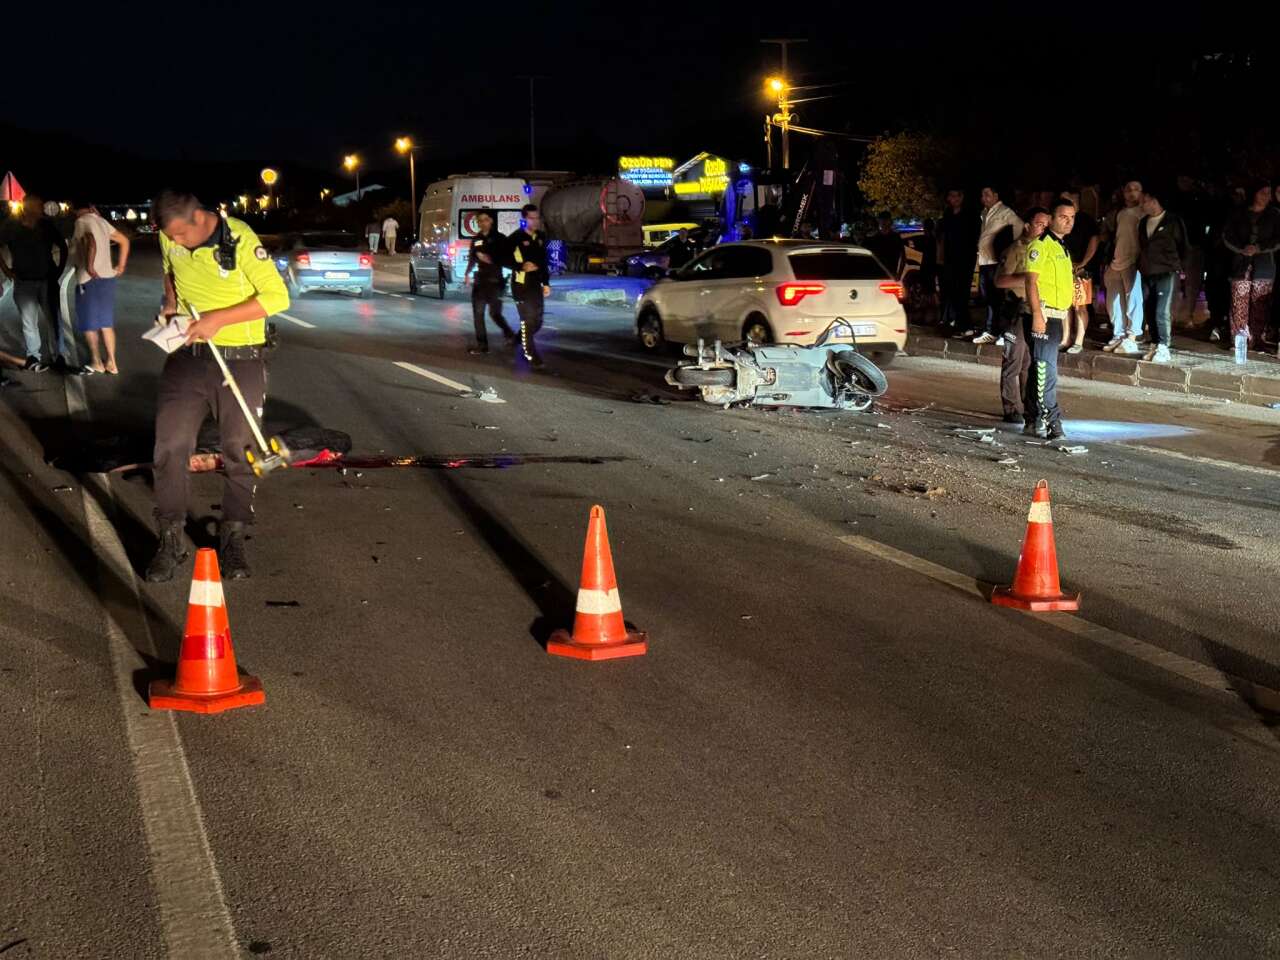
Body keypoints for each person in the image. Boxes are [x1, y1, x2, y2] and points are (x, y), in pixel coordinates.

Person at [146, 189, 290, 583]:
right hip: (188, 357)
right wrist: (171, 304)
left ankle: (233, 536)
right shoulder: (167, 237)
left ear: (198, 219)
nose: (175, 242)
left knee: (238, 450)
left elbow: (278, 298)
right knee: (170, 445)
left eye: (180, 234)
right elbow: (170, 270)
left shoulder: (239, 238)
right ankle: (170, 538)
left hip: (241, 358)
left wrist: (217, 319)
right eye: (169, 236)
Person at [0, 194, 83, 373]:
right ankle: (34, 357)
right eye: (38, 205)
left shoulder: (46, 226)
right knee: (29, 322)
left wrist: (59, 270)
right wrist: (6, 271)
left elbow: (62, 246)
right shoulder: (10, 226)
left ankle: (59, 356)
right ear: (27, 207)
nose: (42, 208)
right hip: (23, 283)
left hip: (47, 281)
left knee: (54, 320)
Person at [1024, 198, 1076, 440]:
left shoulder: (1062, 248)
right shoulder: (1041, 245)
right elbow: (1031, 281)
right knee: (1046, 371)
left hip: (1056, 316)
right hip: (1043, 315)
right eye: (1064, 217)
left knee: (1039, 369)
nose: (1069, 222)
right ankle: (1053, 422)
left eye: (1072, 217)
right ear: (1052, 219)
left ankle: (1033, 418)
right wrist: (1037, 314)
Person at [995, 207, 1050, 424]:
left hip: (1034, 310)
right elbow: (1000, 281)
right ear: (1027, 225)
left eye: (1046, 225)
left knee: (1029, 363)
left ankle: (1030, 407)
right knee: (1013, 361)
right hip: (1015, 310)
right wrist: (1028, 279)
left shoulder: (1045, 249)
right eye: (1039, 224)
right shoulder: (1015, 250)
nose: (1043, 229)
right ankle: (1011, 408)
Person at [71, 200, 129, 374]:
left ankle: (96, 361)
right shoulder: (101, 221)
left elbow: (89, 240)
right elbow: (124, 240)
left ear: (74, 210)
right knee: (106, 323)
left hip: (89, 280)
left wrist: (89, 266)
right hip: (107, 278)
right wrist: (121, 266)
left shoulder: (81, 222)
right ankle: (112, 362)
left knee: (89, 325)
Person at [1222, 181, 1280, 353]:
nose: (1266, 197)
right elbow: (1227, 235)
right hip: (1241, 264)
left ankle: (1257, 340)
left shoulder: (1275, 215)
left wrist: (1259, 248)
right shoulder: (1239, 213)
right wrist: (1242, 249)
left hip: (1264, 265)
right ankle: (1239, 340)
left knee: (1260, 303)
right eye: (1263, 192)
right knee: (1239, 302)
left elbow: (1278, 239)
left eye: (1269, 193)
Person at [1136, 186, 1188, 364]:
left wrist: (1179, 267)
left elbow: (1183, 246)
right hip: (1147, 272)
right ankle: (1154, 343)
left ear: (1154, 200)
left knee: (1162, 310)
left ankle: (1164, 346)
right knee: (1149, 309)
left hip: (1166, 271)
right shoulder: (1143, 222)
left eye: (1145, 200)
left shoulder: (1173, 221)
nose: (1142, 204)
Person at [974, 185, 1023, 344]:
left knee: (1000, 298)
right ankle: (990, 330)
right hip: (985, 260)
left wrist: (1009, 249)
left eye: (987, 194)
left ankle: (1003, 332)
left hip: (997, 262)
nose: (984, 198)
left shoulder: (1005, 212)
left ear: (996, 195)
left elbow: (1019, 226)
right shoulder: (984, 213)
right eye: (982, 195)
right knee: (988, 297)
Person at [463, 209, 515, 355]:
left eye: (485, 220)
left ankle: (509, 334)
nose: (483, 223)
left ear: (491, 221)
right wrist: (467, 273)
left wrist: (490, 258)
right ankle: (482, 345)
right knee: (478, 314)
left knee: (495, 313)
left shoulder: (499, 238)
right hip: (480, 281)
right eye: (480, 221)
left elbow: (506, 257)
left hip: (495, 281)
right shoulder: (476, 239)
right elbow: (472, 257)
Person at [505, 203, 551, 370]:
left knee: (537, 322)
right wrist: (520, 266)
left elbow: (545, 262)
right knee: (527, 320)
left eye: (537, 217)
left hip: (535, 285)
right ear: (524, 219)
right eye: (531, 218)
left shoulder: (541, 237)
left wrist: (546, 283)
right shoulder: (515, 238)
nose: (535, 221)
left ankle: (517, 339)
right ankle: (530, 354)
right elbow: (504, 258)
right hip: (520, 284)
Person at [1102, 180, 1145, 354]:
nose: (1132, 193)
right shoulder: (1119, 213)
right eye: (1128, 189)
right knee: (1114, 302)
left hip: (1133, 261)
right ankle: (1118, 334)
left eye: (1136, 189)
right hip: (1116, 260)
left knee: (1133, 300)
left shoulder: (1143, 213)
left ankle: (1132, 336)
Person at [1059, 189, 1099, 354]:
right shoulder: (1060, 221)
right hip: (1064, 268)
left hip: (1081, 269)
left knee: (1079, 306)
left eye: (1068, 200)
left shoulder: (1086, 220)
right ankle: (1066, 338)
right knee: (1065, 306)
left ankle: (1078, 341)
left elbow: (1094, 240)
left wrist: (1084, 262)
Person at [938, 188, 979, 334]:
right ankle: (955, 322)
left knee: (962, 292)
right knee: (951, 291)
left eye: (956, 196)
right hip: (950, 259)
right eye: (950, 196)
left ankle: (965, 325)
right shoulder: (948, 214)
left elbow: (974, 236)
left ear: (962, 197)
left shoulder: (970, 215)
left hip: (965, 258)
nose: (953, 199)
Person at [1174, 174, 1211, 326]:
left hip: (1195, 246)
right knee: (1174, 282)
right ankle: (1174, 315)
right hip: (1177, 246)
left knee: (1192, 282)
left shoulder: (1200, 200)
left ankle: (1188, 315)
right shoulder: (1175, 200)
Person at [863, 212, 906, 278]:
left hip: (890, 274)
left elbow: (903, 257)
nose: (884, 222)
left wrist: (899, 274)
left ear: (890, 221)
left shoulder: (896, 237)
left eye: (885, 220)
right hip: (876, 274)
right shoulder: (874, 238)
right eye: (882, 220)